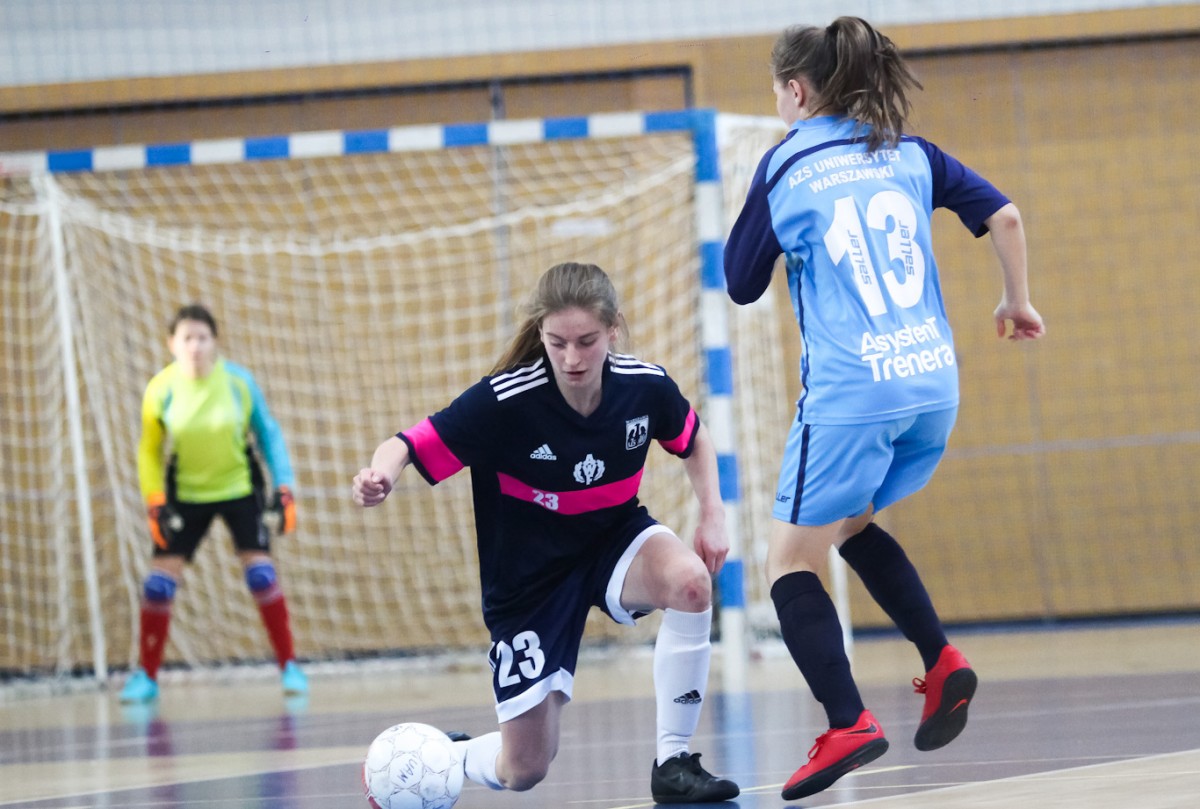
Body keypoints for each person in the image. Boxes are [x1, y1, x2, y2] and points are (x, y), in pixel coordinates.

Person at [723, 16, 1045, 802]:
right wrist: (1017, 301)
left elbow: (739, 281)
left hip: (853, 392)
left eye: (778, 94)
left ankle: (848, 722)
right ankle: (941, 658)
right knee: (852, 520)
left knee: (788, 560)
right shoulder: (907, 149)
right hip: (932, 386)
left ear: (796, 90)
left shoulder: (786, 160)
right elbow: (1005, 215)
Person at [352, 262, 740, 804]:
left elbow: (693, 439)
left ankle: (673, 762)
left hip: (612, 538)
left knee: (691, 583)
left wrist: (713, 513)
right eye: (557, 343)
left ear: (613, 330)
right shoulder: (504, 401)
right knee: (525, 768)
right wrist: (379, 476)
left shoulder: (645, 388)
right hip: (529, 576)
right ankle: (451, 755)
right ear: (541, 334)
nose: (572, 358)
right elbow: (407, 444)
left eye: (586, 341)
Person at [120, 304, 307, 703]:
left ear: (215, 342)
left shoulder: (238, 382)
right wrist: (154, 500)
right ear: (172, 344)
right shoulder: (161, 389)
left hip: (240, 489)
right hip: (186, 494)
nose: (195, 346)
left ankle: (290, 666)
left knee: (262, 576)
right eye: (187, 338)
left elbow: (268, 433)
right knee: (157, 586)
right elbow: (149, 450)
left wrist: (284, 485)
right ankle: (146, 676)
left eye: (203, 337)